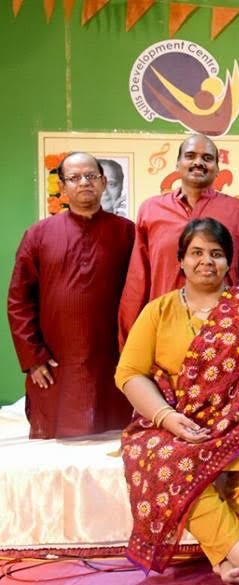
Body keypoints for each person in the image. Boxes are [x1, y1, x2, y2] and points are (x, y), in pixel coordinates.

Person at [116, 217, 239, 585]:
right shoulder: (159, 311)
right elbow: (129, 373)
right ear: (181, 261)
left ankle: (229, 555)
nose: (207, 261)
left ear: (228, 262)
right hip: (177, 420)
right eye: (197, 253)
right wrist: (166, 417)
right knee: (166, 463)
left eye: (217, 254)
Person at [8, 152, 134, 439]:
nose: (84, 183)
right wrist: (32, 357)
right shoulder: (38, 234)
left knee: (112, 443)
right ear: (63, 187)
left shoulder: (127, 233)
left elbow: (141, 295)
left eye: (91, 176)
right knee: (57, 447)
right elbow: (19, 301)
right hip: (55, 363)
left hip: (112, 359)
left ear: (103, 182)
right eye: (74, 178)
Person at [118, 133, 239, 343]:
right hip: (164, 327)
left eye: (207, 158)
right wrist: (129, 340)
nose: (198, 162)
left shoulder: (238, 211)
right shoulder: (151, 210)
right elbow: (138, 278)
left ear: (217, 168)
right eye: (190, 156)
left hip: (225, 331)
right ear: (177, 164)